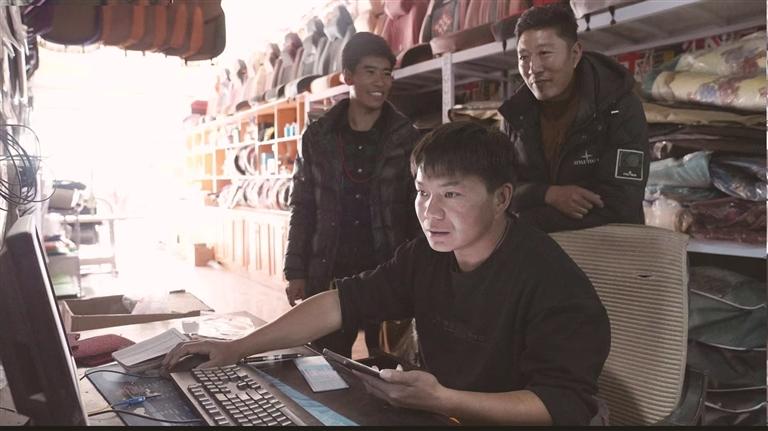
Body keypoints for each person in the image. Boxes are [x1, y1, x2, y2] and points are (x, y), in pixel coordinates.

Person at [164, 121, 611, 426]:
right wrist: (237, 348)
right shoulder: (427, 256)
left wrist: (443, 399)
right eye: (422, 192)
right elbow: (341, 303)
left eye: (451, 194)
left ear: (502, 198)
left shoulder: (551, 281)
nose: (430, 213)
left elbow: (563, 404)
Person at [283, 32, 421, 358]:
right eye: (370, 72)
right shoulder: (317, 137)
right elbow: (302, 205)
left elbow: (416, 210)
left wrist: (418, 273)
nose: (381, 82)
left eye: (386, 73)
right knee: (324, 364)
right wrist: (296, 270)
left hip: (387, 270)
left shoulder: (407, 138)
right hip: (330, 269)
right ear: (347, 76)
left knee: (389, 366)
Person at [499, 3, 649, 233]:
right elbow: (498, 192)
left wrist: (526, 219)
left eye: (544, 53)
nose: (533, 68)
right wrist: (548, 194)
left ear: (575, 54)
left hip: (609, 247)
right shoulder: (514, 116)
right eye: (524, 57)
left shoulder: (619, 107)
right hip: (533, 248)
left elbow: (622, 202)